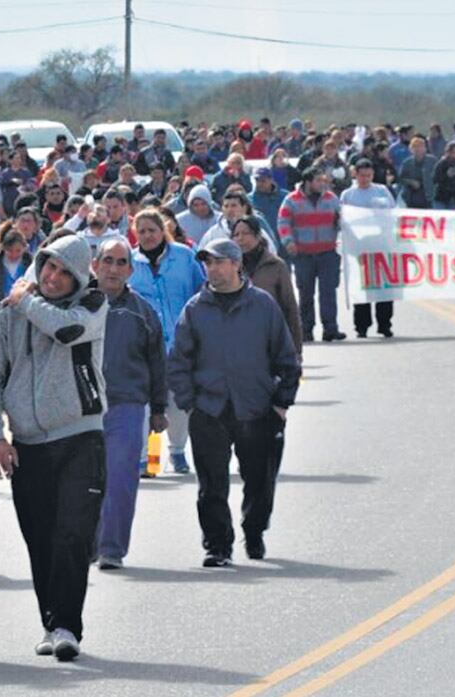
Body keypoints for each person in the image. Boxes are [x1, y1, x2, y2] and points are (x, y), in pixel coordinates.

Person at [0, 235, 107, 662]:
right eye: (48, 267)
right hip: (28, 444)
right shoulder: (10, 313)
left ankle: (69, 625)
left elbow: (67, 330)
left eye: (65, 272)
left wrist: (24, 299)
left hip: (80, 437)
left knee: (72, 534)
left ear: (79, 278)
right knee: (41, 538)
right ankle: (51, 623)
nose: (53, 277)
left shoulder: (92, 305)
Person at [168, 238, 301, 566]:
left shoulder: (263, 306)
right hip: (209, 409)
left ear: (236, 264)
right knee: (211, 483)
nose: (212, 269)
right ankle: (218, 545)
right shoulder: (195, 309)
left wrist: (282, 402)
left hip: (256, 407)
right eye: (207, 263)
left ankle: (254, 530)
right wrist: (189, 403)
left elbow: (286, 357)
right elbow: (179, 361)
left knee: (259, 479)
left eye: (218, 261)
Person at [92, 239, 167, 570]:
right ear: (95, 265)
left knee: (121, 479)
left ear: (131, 270)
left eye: (121, 262)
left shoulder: (142, 311)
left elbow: (156, 361)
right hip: (81, 407)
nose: (113, 268)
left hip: (127, 404)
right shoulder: (77, 304)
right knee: (83, 484)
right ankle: (86, 545)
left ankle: (112, 548)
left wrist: (160, 408)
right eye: (107, 260)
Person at [129, 209, 205, 474]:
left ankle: (177, 451)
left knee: (178, 402)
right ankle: (144, 460)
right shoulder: (129, 261)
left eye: (152, 230)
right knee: (142, 403)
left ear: (163, 230)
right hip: (141, 345)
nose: (147, 236)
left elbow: (202, 290)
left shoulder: (184, 256)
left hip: (180, 342)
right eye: (142, 231)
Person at [279, 167, 346, 342]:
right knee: (306, 294)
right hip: (303, 255)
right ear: (308, 182)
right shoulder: (291, 200)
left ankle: (330, 328)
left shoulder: (332, 199)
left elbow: (342, 222)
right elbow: (283, 222)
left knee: (328, 293)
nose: (323, 184)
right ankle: (306, 330)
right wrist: (289, 242)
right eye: (318, 180)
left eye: (324, 180)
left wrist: (342, 223)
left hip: (328, 253)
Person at [340, 159, 398, 339]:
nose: (365, 179)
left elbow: (392, 214)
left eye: (369, 175)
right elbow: (343, 220)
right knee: (362, 288)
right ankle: (362, 326)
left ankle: (384, 324)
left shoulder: (381, 191)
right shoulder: (348, 195)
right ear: (355, 174)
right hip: (359, 248)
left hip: (381, 246)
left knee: (383, 288)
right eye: (362, 175)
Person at [231, 216, 302, 356]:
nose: (240, 238)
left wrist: (296, 350)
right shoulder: (230, 267)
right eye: (236, 235)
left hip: (270, 337)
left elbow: (290, 308)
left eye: (246, 233)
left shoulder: (276, 265)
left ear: (258, 236)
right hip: (238, 340)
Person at [397, 136, 437, 209]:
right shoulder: (407, 163)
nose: (418, 149)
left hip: (429, 196)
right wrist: (411, 182)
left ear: (425, 148)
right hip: (411, 198)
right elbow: (400, 178)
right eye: (415, 147)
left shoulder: (432, 161)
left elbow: (438, 176)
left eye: (420, 146)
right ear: (411, 149)